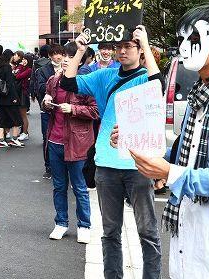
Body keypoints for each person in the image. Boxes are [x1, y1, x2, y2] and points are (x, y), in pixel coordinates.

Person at [112, 4, 209, 279]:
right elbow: (187, 152)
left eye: (193, 39)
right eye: (181, 39)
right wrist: (138, 144)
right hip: (188, 230)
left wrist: (169, 172)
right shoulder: (200, 94)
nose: (184, 47)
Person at [60, 26, 162, 279]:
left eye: (129, 46)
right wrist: (80, 51)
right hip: (106, 162)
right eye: (119, 47)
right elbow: (68, 82)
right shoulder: (104, 76)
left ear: (139, 50)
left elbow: (157, 86)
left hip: (139, 164)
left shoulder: (146, 76)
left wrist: (147, 45)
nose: (123, 51)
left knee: (147, 232)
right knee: (110, 232)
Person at [43, 42, 99, 244]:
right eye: (64, 55)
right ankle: (61, 223)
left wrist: (73, 109)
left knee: (79, 187)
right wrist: (46, 104)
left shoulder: (85, 83)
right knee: (58, 186)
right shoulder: (53, 81)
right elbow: (46, 104)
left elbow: (95, 111)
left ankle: (84, 225)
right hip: (54, 141)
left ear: (79, 61)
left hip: (77, 142)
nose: (65, 59)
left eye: (71, 56)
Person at [37, 44, 66, 179]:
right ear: (50, 56)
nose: (58, 56)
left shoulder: (69, 68)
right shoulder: (43, 70)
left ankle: (65, 164)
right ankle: (48, 166)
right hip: (48, 109)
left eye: (60, 53)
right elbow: (41, 87)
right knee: (47, 137)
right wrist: (54, 80)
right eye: (54, 53)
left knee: (64, 136)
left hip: (64, 109)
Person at [0, 49, 24, 148]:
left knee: (1, 119)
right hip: (9, 98)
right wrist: (15, 98)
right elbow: (10, 84)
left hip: (0, 97)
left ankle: (1, 140)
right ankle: (14, 139)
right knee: (17, 119)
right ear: (9, 57)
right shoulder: (7, 67)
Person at [14, 54, 33, 141]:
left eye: (26, 59)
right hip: (20, 93)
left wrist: (20, 66)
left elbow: (17, 76)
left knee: (23, 115)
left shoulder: (29, 70)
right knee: (20, 114)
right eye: (23, 59)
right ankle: (23, 132)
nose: (24, 61)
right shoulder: (24, 68)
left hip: (23, 94)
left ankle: (25, 133)